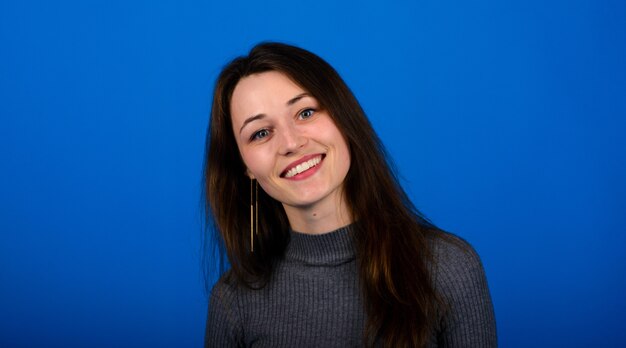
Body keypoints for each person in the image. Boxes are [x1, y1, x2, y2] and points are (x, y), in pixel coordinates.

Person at [202, 42, 496, 347]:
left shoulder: (449, 268)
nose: (290, 143)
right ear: (244, 166)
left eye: (305, 112)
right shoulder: (232, 302)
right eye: (260, 133)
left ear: (344, 119)